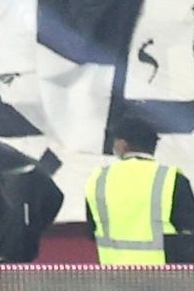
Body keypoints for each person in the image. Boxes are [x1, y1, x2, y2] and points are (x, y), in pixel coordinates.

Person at [76, 114, 181, 269]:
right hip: (164, 279)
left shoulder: (99, 178)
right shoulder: (171, 178)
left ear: (122, 144)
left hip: (114, 278)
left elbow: (92, 230)